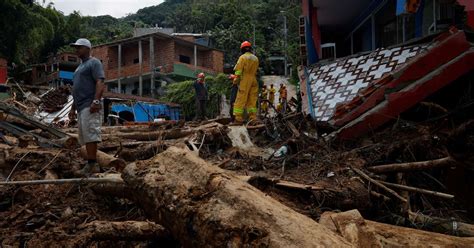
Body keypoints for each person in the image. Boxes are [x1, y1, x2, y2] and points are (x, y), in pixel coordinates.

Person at [68, 38, 106, 176]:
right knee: (85, 137)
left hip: (90, 104)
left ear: (87, 48)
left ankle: (92, 165)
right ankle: (90, 163)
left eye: (79, 47)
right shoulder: (78, 68)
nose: (76, 50)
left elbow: (100, 81)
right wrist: (72, 108)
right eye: (75, 47)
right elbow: (76, 90)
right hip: (80, 106)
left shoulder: (94, 62)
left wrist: (96, 101)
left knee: (91, 135)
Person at [232, 41, 259, 123]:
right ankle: (253, 117)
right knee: (252, 99)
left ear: (242, 49)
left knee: (241, 98)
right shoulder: (255, 58)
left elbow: (238, 71)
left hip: (245, 80)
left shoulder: (242, 57)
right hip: (254, 80)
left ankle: (238, 118)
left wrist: (235, 81)